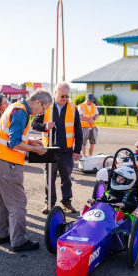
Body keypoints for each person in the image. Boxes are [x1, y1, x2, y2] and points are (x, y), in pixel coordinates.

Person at [0, 88, 52, 252]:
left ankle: (1, 234)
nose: (41, 113)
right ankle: (19, 241)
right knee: (18, 203)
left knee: (1, 200)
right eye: (43, 109)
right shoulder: (21, 112)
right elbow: (13, 143)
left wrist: (30, 140)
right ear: (39, 102)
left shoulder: (16, 107)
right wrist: (35, 149)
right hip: (8, 162)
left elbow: (12, 135)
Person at [31, 82, 83, 215]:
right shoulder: (47, 106)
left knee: (67, 178)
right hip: (49, 149)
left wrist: (77, 151)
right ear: (55, 93)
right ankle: (49, 204)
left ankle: (67, 202)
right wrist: (45, 127)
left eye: (67, 96)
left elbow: (78, 131)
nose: (65, 98)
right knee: (49, 178)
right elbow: (34, 124)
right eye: (62, 96)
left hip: (66, 150)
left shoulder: (73, 108)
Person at [78, 93, 99, 158]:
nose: (91, 102)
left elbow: (97, 115)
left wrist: (93, 119)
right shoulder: (81, 106)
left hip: (92, 127)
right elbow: (79, 116)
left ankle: (90, 156)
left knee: (92, 142)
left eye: (92, 100)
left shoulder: (94, 105)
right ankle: (84, 156)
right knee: (83, 143)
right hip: (84, 127)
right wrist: (88, 120)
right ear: (86, 99)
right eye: (89, 100)